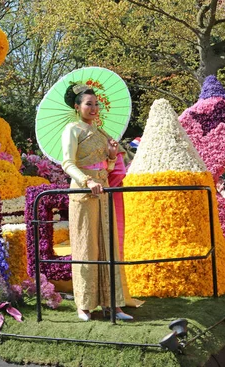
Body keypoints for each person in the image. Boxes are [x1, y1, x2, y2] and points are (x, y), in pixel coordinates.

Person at [61, 83, 141, 321]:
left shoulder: (101, 132)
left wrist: (111, 155)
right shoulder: (72, 130)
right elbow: (67, 163)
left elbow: (107, 167)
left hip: (102, 190)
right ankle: (83, 306)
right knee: (86, 246)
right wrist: (87, 181)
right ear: (77, 107)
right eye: (88, 104)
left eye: (96, 104)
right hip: (84, 193)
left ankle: (113, 304)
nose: (94, 108)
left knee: (108, 244)